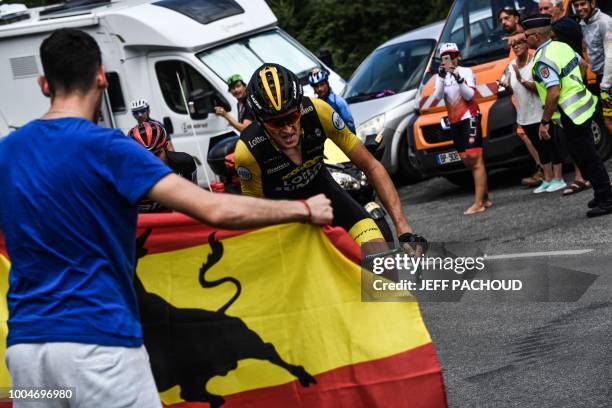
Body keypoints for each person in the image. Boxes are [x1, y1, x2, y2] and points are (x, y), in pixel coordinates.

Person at [0, 29, 333, 408]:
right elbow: (215, 209)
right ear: (101, 78)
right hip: (100, 348)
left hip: (26, 357)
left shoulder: (6, 152)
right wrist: (304, 209)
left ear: (44, 85)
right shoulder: (110, 148)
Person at [234, 63, 426, 248]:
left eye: (292, 117)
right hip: (285, 217)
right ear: (260, 122)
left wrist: (402, 227)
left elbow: (371, 166)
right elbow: (255, 211)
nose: (287, 129)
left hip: (328, 196)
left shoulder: (319, 112)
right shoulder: (248, 151)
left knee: (380, 254)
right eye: (276, 123)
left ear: (300, 108)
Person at [524, 14, 612, 217]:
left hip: (571, 114)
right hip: (584, 107)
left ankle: (607, 199)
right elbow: (582, 66)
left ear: (536, 36)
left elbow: (553, 92)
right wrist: (575, 87)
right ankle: (602, 194)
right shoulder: (560, 46)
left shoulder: (543, 59)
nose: (524, 38)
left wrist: (544, 122)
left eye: (527, 35)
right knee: (584, 156)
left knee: (587, 157)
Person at [501, 35, 566, 193]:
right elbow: (510, 89)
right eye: (513, 45)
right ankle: (548, 179)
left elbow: (540, 87)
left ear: (526, 43)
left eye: (519, 43)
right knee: (540, 148)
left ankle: (559, 178)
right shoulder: (510, 65)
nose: (515, 47)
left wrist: (520, 79)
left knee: (550, 145)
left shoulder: (535, 62)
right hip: (524, 115)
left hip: (541, 112)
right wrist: (507, 86)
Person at [538, 0, 591, 195]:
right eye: (540, 9)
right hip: (565, 93)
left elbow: (583, 64)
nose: (543, 12)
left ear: (560, 9)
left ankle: (583, 177)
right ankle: (584, 177)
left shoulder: (566, 25)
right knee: (572, 137)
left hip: (572, 92)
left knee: (579, 136)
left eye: (546, 9)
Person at [434, 43, 492, 215]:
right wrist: (442, 76)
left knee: (475, 158)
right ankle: (485, 197)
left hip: (470, 117)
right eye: (445, 56)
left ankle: (478, 203)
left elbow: (469, 95)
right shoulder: (441, 76)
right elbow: (437, 97)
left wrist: (457, 77)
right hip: (454, 121)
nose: (449, 59)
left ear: (457, 56)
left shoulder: (466, 72)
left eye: (452, 55)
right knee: (467, 160)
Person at [498, 6, 544, 187]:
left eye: (507, 17)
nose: (504, 22)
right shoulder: (511, 40)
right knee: (524, 133)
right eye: (501, 19)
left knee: (535, 134)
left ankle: (545, 169)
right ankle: (543, 168)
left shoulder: (523, 36)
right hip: (518, 98)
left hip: (531, 96)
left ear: (517, 18)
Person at [128, 121, 198, 213]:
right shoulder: (124, 175)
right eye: (145, 156)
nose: (152, 161)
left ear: (165, 147)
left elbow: (194, 199)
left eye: (157, 153)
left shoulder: (184, 163)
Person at [572, 0, 612, 94]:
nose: (579, 8)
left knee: (607, 108)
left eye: (582, 4)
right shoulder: (584, 22)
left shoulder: (605, 22)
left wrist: (605, 84)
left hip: (608, 78)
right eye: (576, 5)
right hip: (598, 76)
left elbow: (610, 55)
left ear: (592, 3)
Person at [308, 67, 356, 133]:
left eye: (322, 84)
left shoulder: (338, 101)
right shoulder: (314, 105)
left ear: (327, 84)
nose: (320, 89)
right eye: (316, 86)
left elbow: (349, 123)